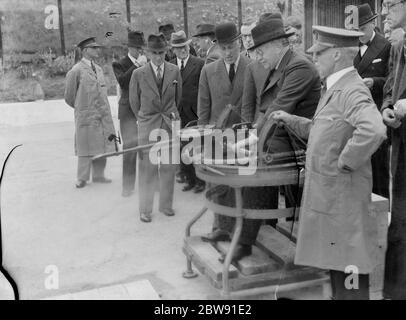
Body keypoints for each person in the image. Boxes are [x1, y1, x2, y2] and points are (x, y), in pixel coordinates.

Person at [272, 26, 387, 300]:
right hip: (331, 203)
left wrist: (346, 162)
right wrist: (292, 120)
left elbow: (374, 130)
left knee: (349, 273)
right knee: (338, 270)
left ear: (336, 55)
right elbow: (327, 130)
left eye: (319, 53)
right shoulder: (335, 88)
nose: (314, 59)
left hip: (343, 202)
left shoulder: (350, 90)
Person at [198, 22, 254, 262]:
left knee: (241, 185)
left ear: (239, 43)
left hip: (243, 138)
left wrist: (251, 137)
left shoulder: (253, 67)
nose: (228, 52)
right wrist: (204, 139)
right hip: (217, 138)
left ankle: (239, 235)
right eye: (223, 48)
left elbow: (256, 103)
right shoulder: (208, 71)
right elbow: (203, 109)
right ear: (217, 47)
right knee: (217, 184)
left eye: (232, 46)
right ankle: (220, 227)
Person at [129, 34, 182, 223]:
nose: (158, 57)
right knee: (147, 168)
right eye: (154, 53)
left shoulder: (174, 71)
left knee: (168, 167)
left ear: (166, 51)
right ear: (147, 53)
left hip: (168, 124)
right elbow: (134, 103)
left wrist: (169, 117)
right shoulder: (138, 74)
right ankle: (145, 209)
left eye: (161, 53)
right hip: (148, 126)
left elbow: (178, 98)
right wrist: (146, 120)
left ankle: (166, 205)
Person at [64, 37, 116, 189]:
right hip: (86, 115)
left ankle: (99, 175)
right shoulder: (76, 71)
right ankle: (82, 178)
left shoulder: (98, 69)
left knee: (101, 144)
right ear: (85, 51)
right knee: (85, 147)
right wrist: (83, 108)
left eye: (97, 47)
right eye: (94, 48)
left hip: (102, 114)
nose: (97, 50)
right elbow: (69, 96)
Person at [381, 0, 406, 300]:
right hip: (402, 141)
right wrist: (387, 106)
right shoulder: (398, 43)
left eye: (391, 4)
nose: (386, 13)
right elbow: (391, 84)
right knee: (399, 218)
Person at [354, 3, 391, 199]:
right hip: (354, 115)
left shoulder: (385, 46)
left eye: (363, 29)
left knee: (378, 170)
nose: (359, 34)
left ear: (373, 23)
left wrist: (373, 82)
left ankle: (381, 214)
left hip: (376, 114)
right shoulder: (351, 46)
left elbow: (392, 80)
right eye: (355, 30)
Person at [169, 30, 206, 194]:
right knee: (182, 148)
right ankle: (189, 179)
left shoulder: (199, 63)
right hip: (176, 114)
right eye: (178, 48)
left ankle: (200, 181)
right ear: (173, 50)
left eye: (184, 46)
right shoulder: (169, 66)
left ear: (188, 46)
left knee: (196, 147)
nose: (182, 50)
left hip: (194, 113)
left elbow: (204, 89)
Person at [112, 31, 146, 197]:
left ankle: (150, 183)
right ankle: (128, 186)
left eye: (141, 48)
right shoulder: (119, 64)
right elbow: (123, 82)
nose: (140, 51)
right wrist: (137, 66)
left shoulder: (145, 62)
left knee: (147, 148)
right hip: (127, 112)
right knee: (130, 149)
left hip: (144, 109)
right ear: (130, 48)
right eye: (137, 48)